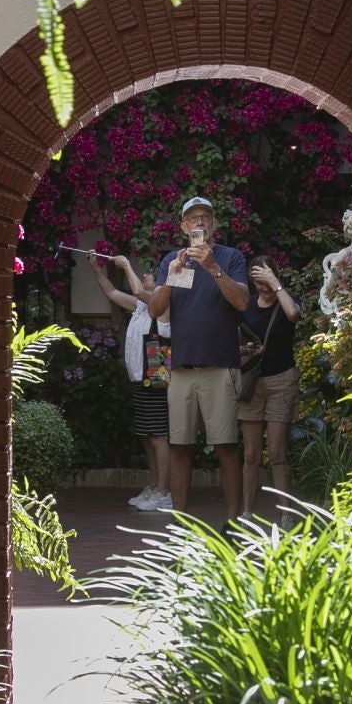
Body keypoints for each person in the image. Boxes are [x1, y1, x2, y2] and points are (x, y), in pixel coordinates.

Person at [149, 196, 250, 518]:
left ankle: (233, 522)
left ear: (215, 224)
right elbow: (155, 310)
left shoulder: (230, 257)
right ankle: (180, 524)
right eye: (192, 219)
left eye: (206, 217)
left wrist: (211, 267)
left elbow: (242, 303)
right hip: (180, 368)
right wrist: (172, 275)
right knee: (179, 447)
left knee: (225, 448)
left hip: (219, 366)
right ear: (183, 227)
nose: (200, 223)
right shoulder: (173, 261)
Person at [89, 252, 173, 512]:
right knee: (146, 436)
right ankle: (153, 486)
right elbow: (113, 293)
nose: (145, 275)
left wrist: (125, 266)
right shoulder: (139, 307)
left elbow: (136, 290)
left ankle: (165, 491)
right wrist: (97, 269)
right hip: (139, 377)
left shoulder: (163, 306)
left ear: (158, 283)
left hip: (157, 377)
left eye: (148, 273)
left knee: (158, 436)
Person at [237, 255, 301, 519]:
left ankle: (285, 515)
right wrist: (246, 351)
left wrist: (275, 284)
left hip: (281, 381)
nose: (262, 288)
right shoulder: (247, 306)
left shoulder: (285, 298)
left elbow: (294, 314)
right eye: (258, 281)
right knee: (251, 454)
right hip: (251, 383)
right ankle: (247, 513)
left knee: (276, 451)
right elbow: (234, 342)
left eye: (265, 280)